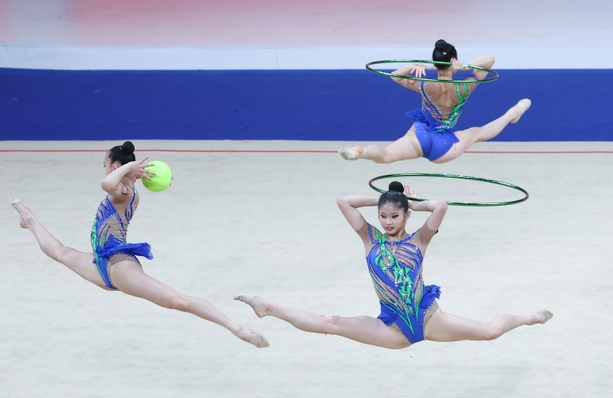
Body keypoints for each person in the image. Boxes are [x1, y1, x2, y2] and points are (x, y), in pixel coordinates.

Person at [11, 141, 268, 348]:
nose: (104, 169)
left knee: (176, 301)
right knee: (62, 252)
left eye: (105, 164)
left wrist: (128, 167)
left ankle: (239, 329)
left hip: (120, 263)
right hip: (102, 261)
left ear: (115, 166)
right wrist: (126, 168)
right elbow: (109, 183)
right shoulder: (122, 188)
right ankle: (29, 219)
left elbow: (106, 184)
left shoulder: (127, 192)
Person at [235, 181, 552, 349]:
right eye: (383, 216)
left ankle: (528, 317)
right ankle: (266, 307)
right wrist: (385, 198)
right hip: (392, 328)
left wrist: (411, 202)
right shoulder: (369, 237)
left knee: (489, 332)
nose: (387, 222)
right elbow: (343, 201)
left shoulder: (419, 240)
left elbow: (440, 206)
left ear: (407, 216)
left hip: (428, 319)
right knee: (330, 324)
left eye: (395, 215)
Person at [338, 39, 531, 165]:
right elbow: (490, 60)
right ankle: (512, 114)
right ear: (453, 61)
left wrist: (416, 66)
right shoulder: (465, 87)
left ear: (436, 64)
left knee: (386, 155)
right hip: (444, 146)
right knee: (476, 133)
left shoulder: (425, 86)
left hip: (419, 135)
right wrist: (465, 67)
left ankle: (360, 152)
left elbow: (395, 76)